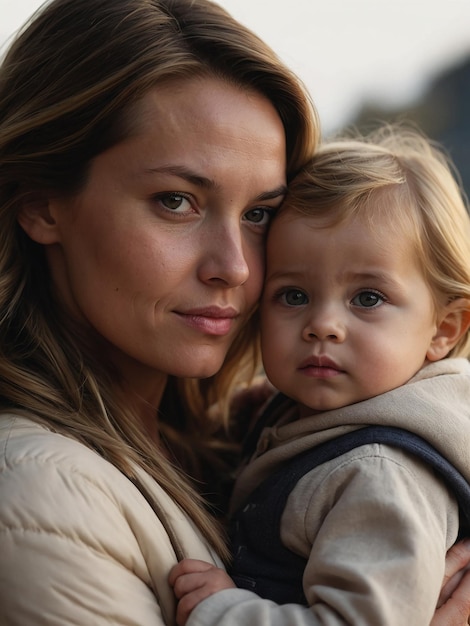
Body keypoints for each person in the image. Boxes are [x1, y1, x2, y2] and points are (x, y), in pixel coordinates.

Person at [0, 0, 468, 623]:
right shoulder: (38, 495)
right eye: (176, 201)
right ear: (41, 206)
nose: (237, 266)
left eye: (258, 215)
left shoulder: (243, 442)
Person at [169, 126, 470, 625]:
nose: (323, 325)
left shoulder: (380, 472)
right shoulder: (302, 417)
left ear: (442, 329)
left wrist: (223, 611)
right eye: (293, 295)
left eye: (368, 298)